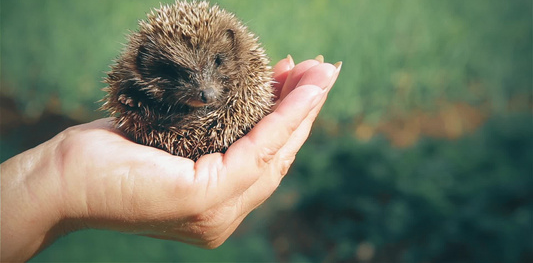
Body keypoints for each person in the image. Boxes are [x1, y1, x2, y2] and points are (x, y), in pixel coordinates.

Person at [0, 56, 340, 261]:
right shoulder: (136, 88)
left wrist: (52, 178)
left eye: (216, 66)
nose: (206, 91)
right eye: (180, 74)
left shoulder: (238, 70)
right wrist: (59, 176)